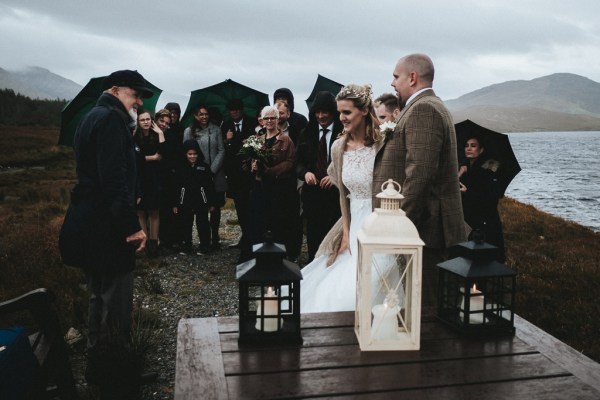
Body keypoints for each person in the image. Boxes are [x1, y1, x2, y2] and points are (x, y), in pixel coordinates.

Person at [70, 69, 150, 396]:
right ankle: (117, 378)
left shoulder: (93, 116)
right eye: (135, 93)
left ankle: (98, 371)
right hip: (107, 227)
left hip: (92, 222)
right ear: (115, 90)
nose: (140, 100)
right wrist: (132, 228)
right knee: (115, 301)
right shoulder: (111, 121)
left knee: (97, 296)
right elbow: (113, 180)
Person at [373, 53, 466, 307]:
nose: (392, 83)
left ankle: (429, 348)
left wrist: (399, 225)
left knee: (426, 308)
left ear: (412, 77)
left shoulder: (423, 109)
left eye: (396, 76)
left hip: (426, 231)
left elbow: (420, 175)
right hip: (425, 228)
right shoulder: (427, 106)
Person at [301, 84, 398, 313]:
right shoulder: (338, 147)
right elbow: (344, 197)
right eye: (340, 112)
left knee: (377, 280)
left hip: (381, 223)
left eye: (347, 112)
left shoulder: (383, 144)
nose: (341, 118)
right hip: (354, 223)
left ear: (364, 111)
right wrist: (345, 232)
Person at [295, 91, 342, 263]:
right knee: (314, 234)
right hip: (312, 195)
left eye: (325, 112)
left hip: (336, 196)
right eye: (317, 112)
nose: (321, 116)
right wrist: (305, 173)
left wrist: (335, 177)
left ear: (333, 112)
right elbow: (297, 162)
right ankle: (314, 265)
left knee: (334, 237)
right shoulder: (306, 133)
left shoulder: (342, 132)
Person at [248, 105, 296, 254]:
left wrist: (270, 171)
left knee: (277, 221)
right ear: (261, 121)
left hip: (278, 187)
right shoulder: (257, 139)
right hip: (260, 186)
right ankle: (260, 254)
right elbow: (250, 159)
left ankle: (278, 255)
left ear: (277, 119)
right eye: (266, 118)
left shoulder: (286, 140)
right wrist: (253, 165)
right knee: (260, 220)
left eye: (272, 118)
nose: (269, 121)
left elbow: (290, 162)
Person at [183, 105, 227, 252]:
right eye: (200, 114)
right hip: (197, 175)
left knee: (215, 206)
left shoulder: (216, 129)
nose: (204, 117)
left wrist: (212, 170)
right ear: (195, 116)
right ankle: (196, 241)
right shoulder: (189, 131)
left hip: (215, 173)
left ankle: (215, 237)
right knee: (199, 207)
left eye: (206, 114)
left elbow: (221, 150)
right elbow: (186, 151)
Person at [220, 98, 257, 261]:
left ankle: (251, 238)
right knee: (240, 208)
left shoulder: (252, 123)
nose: (234, 112)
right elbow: (224, 149)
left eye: (236, 109)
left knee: (251, 208)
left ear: (242, 110)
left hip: (250, 173)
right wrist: (228, 140)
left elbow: (255, 145)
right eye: (231, 110)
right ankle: (245, 237)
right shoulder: (225, 125)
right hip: (234, 174)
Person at [459, 134, 506, 262]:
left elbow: (490, 199)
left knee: (484, 260)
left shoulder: (489, 171)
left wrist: (467, 192)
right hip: (469, 221)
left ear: (481, 150)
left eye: (473, 146)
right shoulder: (464, 168)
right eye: (466, 146)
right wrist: (459, 173)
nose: (469, 148)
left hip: (485, 222)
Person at [172, 140, 217, 254]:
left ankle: (205, 246)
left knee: (203, 224)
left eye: (195, 154)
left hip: (201, 200)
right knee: (186, 224)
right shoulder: (180, 167)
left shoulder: (204, 167)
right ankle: (187, 246)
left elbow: (210, 186)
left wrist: (211, 203)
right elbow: (176, 186)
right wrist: (175, 203)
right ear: (185, 154)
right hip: (185, 201)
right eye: (189, 154)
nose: (192, 156)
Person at [133, 109, 165, 257]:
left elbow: (163, 154)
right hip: (139, 179)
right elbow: (134, 160)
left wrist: (160, 133)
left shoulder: (156, 135)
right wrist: (152, 158)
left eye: (147, 119)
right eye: (142, 120)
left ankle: (154, 244)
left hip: (155, 178)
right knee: (140, 211)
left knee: (154, 211)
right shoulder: (134, 137)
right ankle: (144, 244)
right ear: (138, 122)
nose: (145, 122)